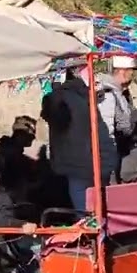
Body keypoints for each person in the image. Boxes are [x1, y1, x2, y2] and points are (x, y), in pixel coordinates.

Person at [41, 65, 118, 210]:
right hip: (101, 162)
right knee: (103, 210)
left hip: (76, 165)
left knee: (85, 213)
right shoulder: (90, 97)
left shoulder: (59, 99)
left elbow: (54, 120)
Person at [98, 56, 137, 160]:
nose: (133, 74)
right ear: (122, 71)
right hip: (113, 153)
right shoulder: (107, 94)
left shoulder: (120, 92)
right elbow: (107, 128)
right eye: (131, 70)